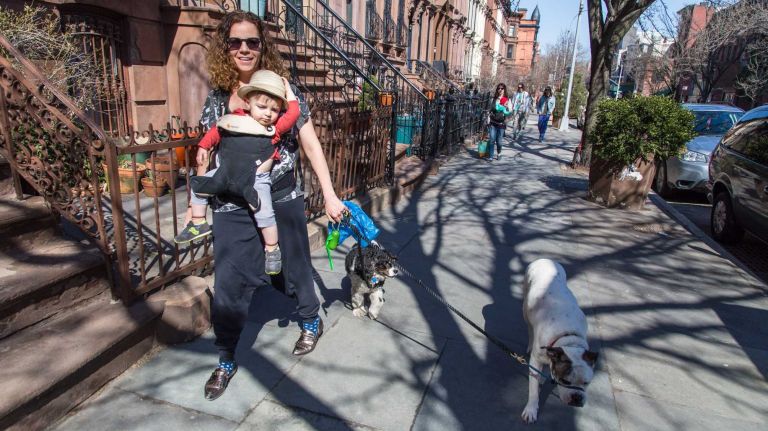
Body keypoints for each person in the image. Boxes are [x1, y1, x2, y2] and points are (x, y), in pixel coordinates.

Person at [199, 11, 346, 401]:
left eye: (252, 42)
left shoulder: (285, 92)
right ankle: (226, 358)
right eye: (235, 42)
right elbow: (207, 149)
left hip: (282, 196)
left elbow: (311, 144)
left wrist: (329, 194)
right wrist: (196, 198)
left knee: (294, 268)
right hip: (232, 206)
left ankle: (309, 319)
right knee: (229, 284)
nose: (244, 49)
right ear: (224, 47)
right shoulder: (216, 99)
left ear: (263, 47)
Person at [175, 71, 299, 276]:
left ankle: (272, 249)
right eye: (262, 106)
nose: (268, 113)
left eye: (274, 109)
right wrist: (204, 146)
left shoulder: (275, 129)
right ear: (247, 102)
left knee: (265, 213)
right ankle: (198, 222)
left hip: (255, 181)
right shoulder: (233, 120)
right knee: (200, 185)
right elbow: (216, 130)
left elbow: (293, 113)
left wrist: (288, 91)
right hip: (225, 173)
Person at [488, 83, 512, 161]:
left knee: (499, 142)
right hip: (493, 122)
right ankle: (491, 156)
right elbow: (490, 109)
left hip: (501, 124)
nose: (500, 90)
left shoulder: (507, 100)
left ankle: (499, 153)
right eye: (498, 88)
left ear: (504, 89)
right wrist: (488, 117)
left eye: (502, 88)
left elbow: (510, 111)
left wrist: (506, 108)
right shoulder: (494, 99)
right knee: (492, 139)